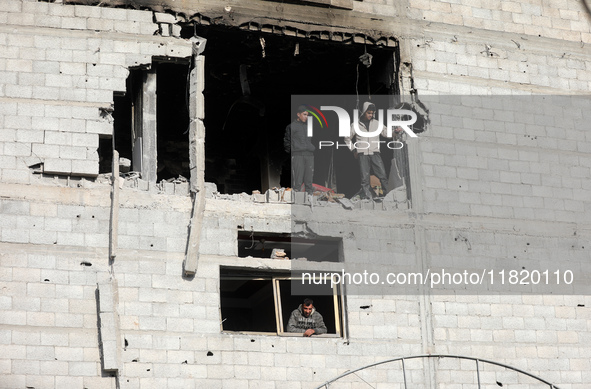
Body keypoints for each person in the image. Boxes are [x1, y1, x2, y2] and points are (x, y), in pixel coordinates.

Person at [344, 102, 400, 200]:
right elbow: (346, 138)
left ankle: (387, 196)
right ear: (364, 112)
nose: (371, 115)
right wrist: (353, 150)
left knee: (382, 175)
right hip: (363, 154)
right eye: (369, 113)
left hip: (375, 152)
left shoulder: (377, 123)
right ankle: (367, 197)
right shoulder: (356, 125)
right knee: (365, 178)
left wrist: (395, 132)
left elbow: (387, 133)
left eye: (372, 113)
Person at [284, 105, 315, 195]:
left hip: (309, 155)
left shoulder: (308, 127)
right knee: (298, 180)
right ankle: (297, 200)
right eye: (304, 114)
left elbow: (311, 140)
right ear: (298, 114)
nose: (306, 117)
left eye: (307, 115)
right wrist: (292, 152)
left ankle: (309, 198)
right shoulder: (291, 126)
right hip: (298, 155)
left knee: (309, 179)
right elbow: (287, 141)